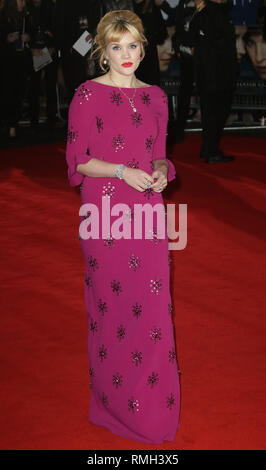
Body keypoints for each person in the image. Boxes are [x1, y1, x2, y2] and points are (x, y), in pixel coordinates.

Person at [65, 9, 180, 444]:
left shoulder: (155, 97)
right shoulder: (87, 96)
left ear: (143, 48)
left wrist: (162, 171)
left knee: (152, 311)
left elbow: (159, 154)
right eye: (116, 47)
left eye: (133, 45)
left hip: (147, 214)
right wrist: (119, 172)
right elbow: (78, 162)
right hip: (106, 218)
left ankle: (152, 412)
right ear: (103, 52)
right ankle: (112, 404)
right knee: (112, 309)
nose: (125, 55)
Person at [190, 0, 237, 163]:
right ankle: (212, 151)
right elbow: (219, 49)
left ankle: (208, 148)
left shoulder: (203, 14)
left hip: (209, 75)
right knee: (215, 114)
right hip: (217, 75)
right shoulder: (214, 14)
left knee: (210, 113)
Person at [1, 0, 32, 139]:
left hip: (22, 60)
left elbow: (33, 33)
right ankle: (7, 124)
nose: (22, 2)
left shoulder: (26, 16)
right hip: (8, 61)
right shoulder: (4, 16)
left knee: (19, 92)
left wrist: (28, 38)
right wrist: (7, 39)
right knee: (8, 93)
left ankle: (13, 124)